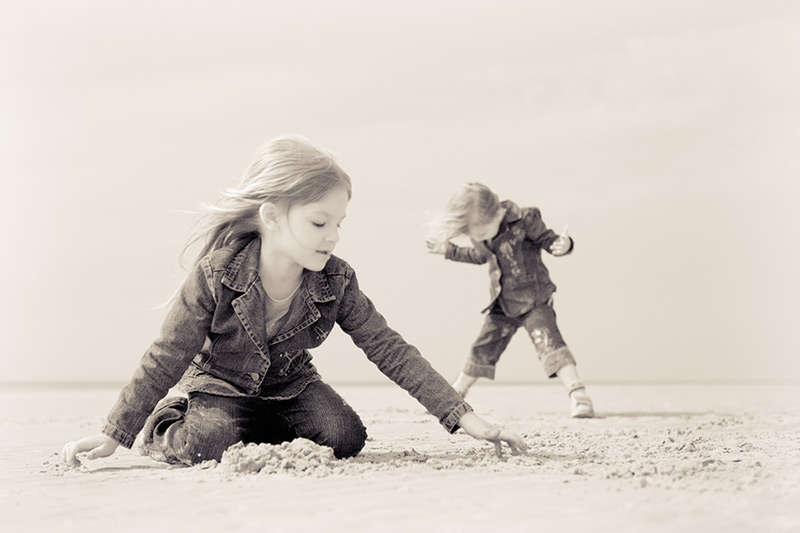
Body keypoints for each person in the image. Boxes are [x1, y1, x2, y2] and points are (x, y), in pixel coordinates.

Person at [62, 136, 527, 468]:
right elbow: (167, 353)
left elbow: (389, 348)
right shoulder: (217, 274)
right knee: (210, 438)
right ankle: (168, 426)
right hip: (219, 387)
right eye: (320, 223)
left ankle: (251, 431)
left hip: (290, 387)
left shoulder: (336, 280)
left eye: (340, 223)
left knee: (345, 436)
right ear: (271, 217)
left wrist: (463, 416)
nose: (334, 236)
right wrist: (114, 432)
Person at [426, 182, 594, 418]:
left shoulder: (525, 219)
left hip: (534, 299)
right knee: (483, 347)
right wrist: (448, 250)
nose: (479, 239)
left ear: (497, 213)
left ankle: (578, 394)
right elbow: (479, 256)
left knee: (549, 343)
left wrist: (565, 245)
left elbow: (548, 239)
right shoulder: (483, 232)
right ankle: (455, 395)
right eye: (475, 236)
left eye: (482, 234)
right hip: (502, 303)